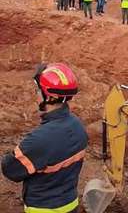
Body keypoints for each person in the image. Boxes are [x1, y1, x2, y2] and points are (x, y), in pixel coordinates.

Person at [1, 63, 88, 213]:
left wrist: (14, 153)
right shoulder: (78, 126)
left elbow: (11, 170)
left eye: (38, 90)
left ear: (51, 96)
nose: (36, 94)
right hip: (71, 204)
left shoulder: (40, 140)